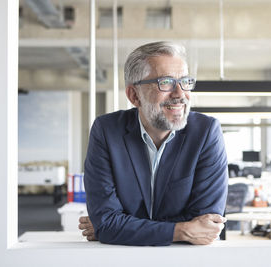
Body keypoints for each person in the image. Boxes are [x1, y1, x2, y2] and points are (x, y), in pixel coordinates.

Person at [79, 41, 228, 246]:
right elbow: (107, 223)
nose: (179, 94)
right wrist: (183, 229)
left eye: (185, 81)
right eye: (165, 82)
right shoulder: (107, 131)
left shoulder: (206, 132)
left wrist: (121, 227)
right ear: (134, 95)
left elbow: (206, 226)